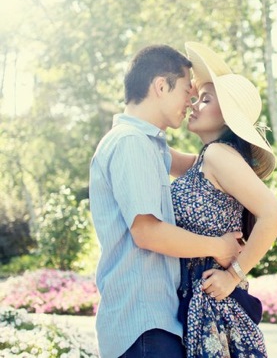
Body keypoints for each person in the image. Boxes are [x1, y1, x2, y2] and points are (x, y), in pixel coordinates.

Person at [89, 44, 243, 358]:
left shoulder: (148, 145)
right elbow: (147, 232)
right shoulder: (131, 144)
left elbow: (205, 167)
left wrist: (232, 137)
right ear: (161, 86)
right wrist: (218, 246)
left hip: (152, 323)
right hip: (143, 324)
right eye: (187, 90)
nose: (190, 101)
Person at [170, 42, 277, 357]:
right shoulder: (205, 159)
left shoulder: (220, 155)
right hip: (200, 300)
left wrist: (234, 275)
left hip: (216, 305)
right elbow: (158, 155)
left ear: (228, 117)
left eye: (205, 100)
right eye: (195, 97)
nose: (194, 104)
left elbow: (275, 214)